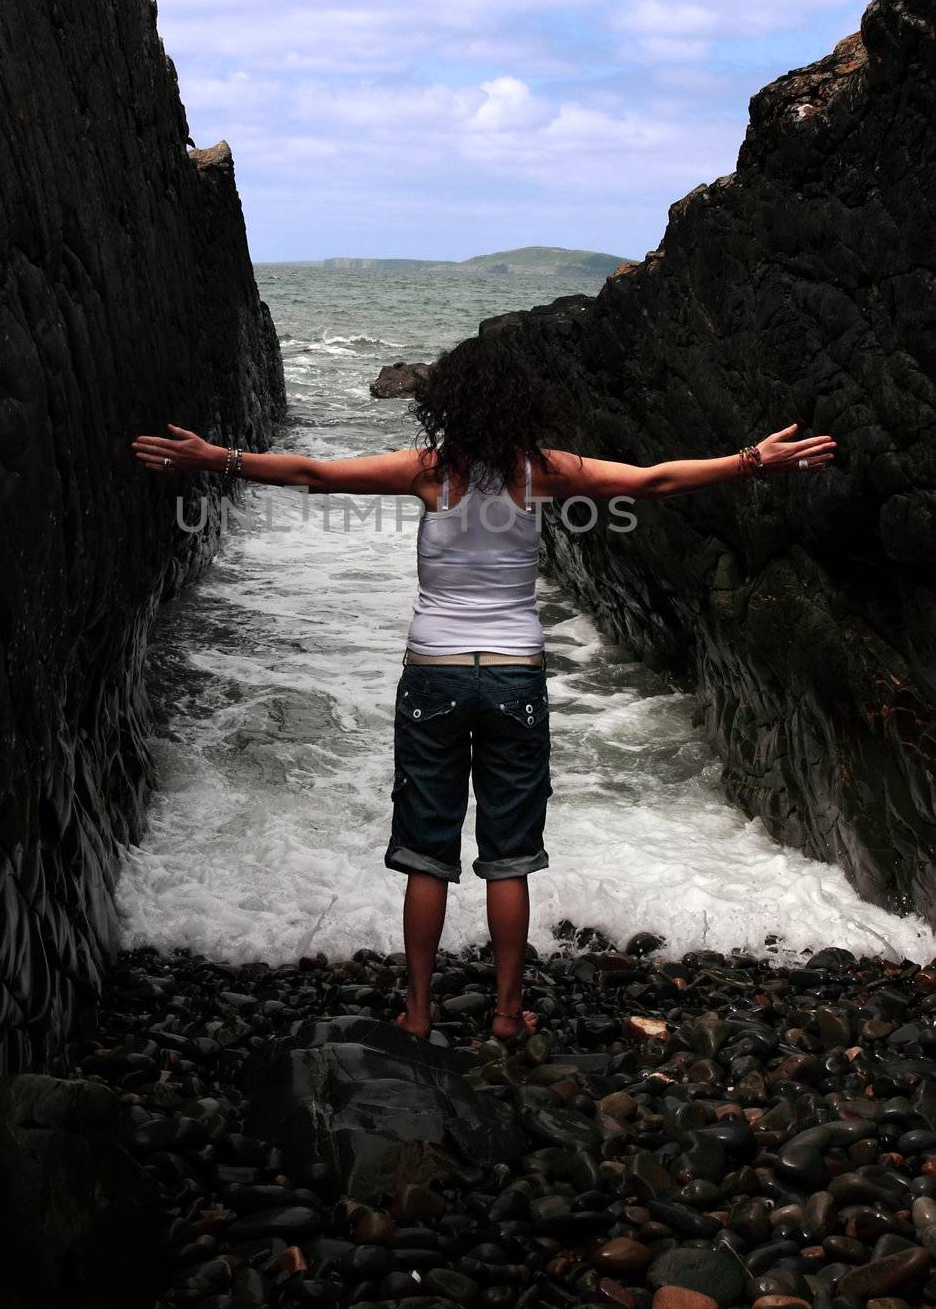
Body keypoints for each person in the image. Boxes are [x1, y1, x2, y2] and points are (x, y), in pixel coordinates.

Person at [132, 335, 836, 1043]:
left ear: (446, 405)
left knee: (425, 849)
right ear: (518, 405)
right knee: (508, 853)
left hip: (433, 673)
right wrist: (751, 461)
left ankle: (415, 1011)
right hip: (512, 675)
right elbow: (651, 481)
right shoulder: (541, 472)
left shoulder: (429, 472)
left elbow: (315, 473)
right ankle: (504, 1014)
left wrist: (215, 458)